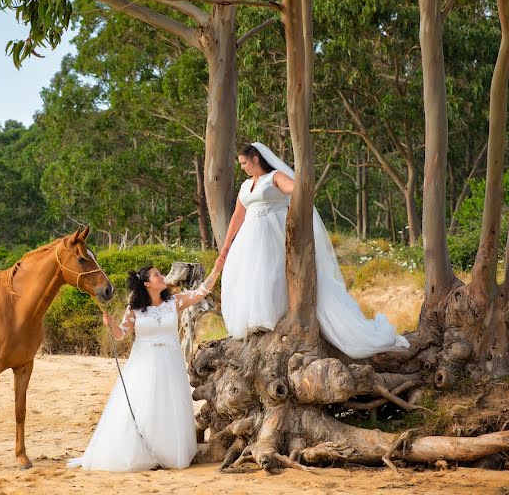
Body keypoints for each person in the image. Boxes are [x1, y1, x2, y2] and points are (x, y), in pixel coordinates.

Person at [218, 142, 409, 359]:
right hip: (249, 239)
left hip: (274, 234)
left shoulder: (275, 178)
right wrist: (226, 246)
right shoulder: (245, 186)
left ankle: (281, 319)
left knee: (272, 274)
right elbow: (237, 216)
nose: (242, 167)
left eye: (245, 163)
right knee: (250, 276)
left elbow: (297, 189)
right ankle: (255, 322)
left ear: (255, 159)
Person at [68, 259, 224, 472]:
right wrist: (112, 324)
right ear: (147, 284)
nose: (162, 277)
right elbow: (121, 335)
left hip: (171, 365)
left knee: (168, 408)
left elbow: (201, 292)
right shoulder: (135, 310)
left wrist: (216, 269)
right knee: (145, 407)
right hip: (144, 366)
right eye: (157, 275)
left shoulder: (174, 302)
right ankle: (143, 453)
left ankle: (166, 452)